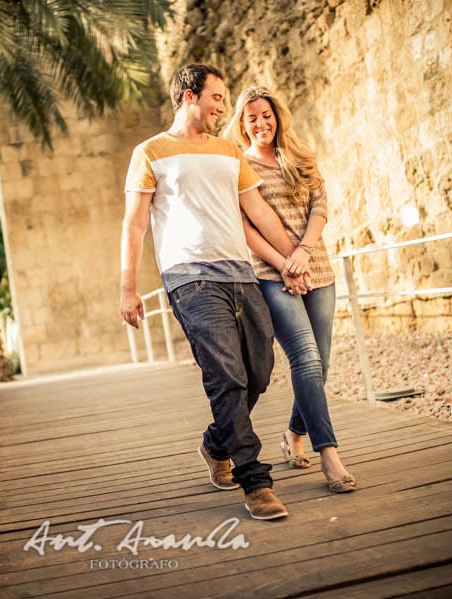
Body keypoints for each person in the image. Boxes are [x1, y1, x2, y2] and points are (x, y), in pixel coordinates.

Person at [120, 64, 306, 520]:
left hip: (241, 275)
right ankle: (255, 481)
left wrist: (291, 261)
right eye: (217, 97)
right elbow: (135, 223)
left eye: (224, 98)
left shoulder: (228, 151)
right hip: (189, 279)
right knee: (226, 376)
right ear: (189, 96)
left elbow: (258, 212)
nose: (223, 107)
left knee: (259, 372)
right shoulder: (150, 152)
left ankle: (215, 443)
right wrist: (128, 288)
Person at [223, 85, 356, 493]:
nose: (261, 123)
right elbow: (245, 230)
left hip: (317, 268)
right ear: (242, 126)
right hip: (271, 274)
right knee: (305, 358)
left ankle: (293, 435)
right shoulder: (238, 166)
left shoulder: (301, 156)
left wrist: (302, 252)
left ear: (277, 116)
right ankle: (328, 455)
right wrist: (285, 264)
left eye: (266, 115)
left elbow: (321, 207)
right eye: (252, 118)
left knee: (322, 364)